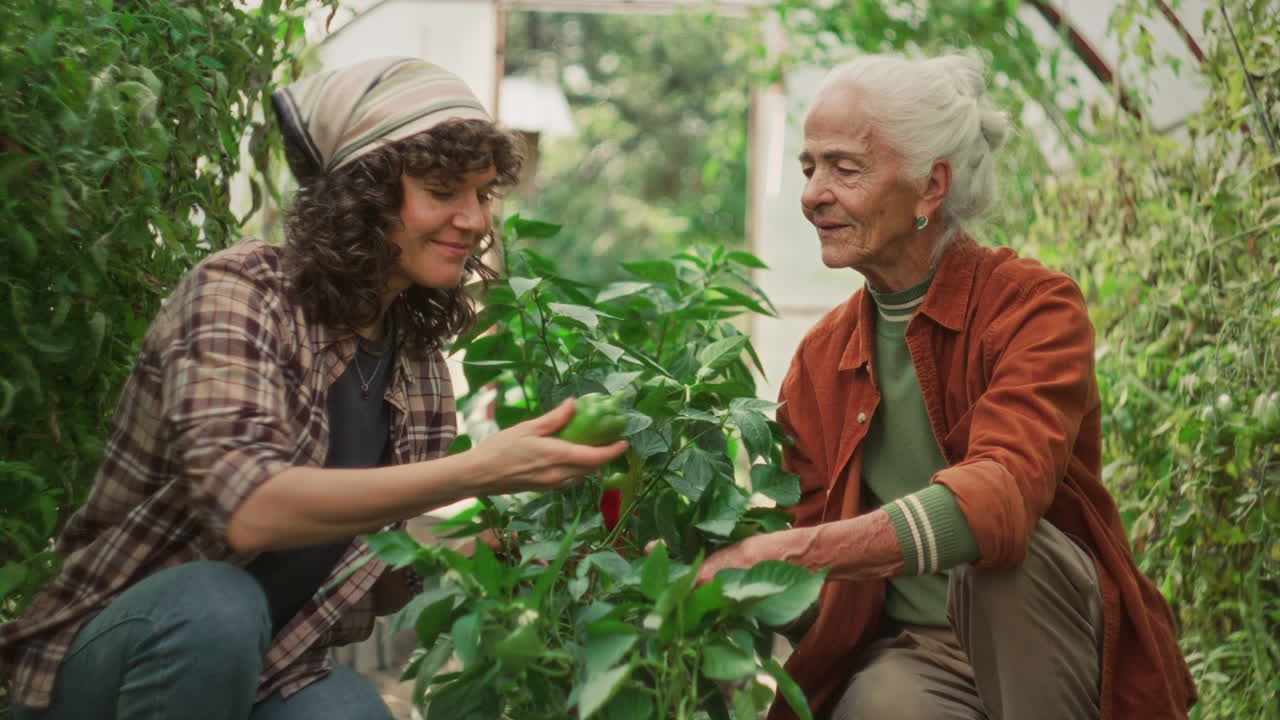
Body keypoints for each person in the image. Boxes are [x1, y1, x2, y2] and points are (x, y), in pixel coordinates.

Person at [0, 57, 627, 720]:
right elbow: (250, 508)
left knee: (352, 714)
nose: (474, 220)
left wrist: (493, 548)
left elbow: (371, 579)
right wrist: (475, 473)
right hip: (119, 659)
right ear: (365, 192)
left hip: (272, 661)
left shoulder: (416, 367)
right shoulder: (241, 293)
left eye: (483, 194)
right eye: (444, 191)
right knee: (215, 605)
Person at [696, 52, 1196, 720]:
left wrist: (792, 549)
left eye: (844, 167)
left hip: (1045, 637)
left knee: (998, 562)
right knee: (873, 705)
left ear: (932, 186)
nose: (814, 192)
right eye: (809, 166)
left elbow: (1003, 494)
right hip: (921, 649)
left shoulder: (1031, 307)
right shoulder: (822, 360)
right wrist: (719, 575)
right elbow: (819, 569)